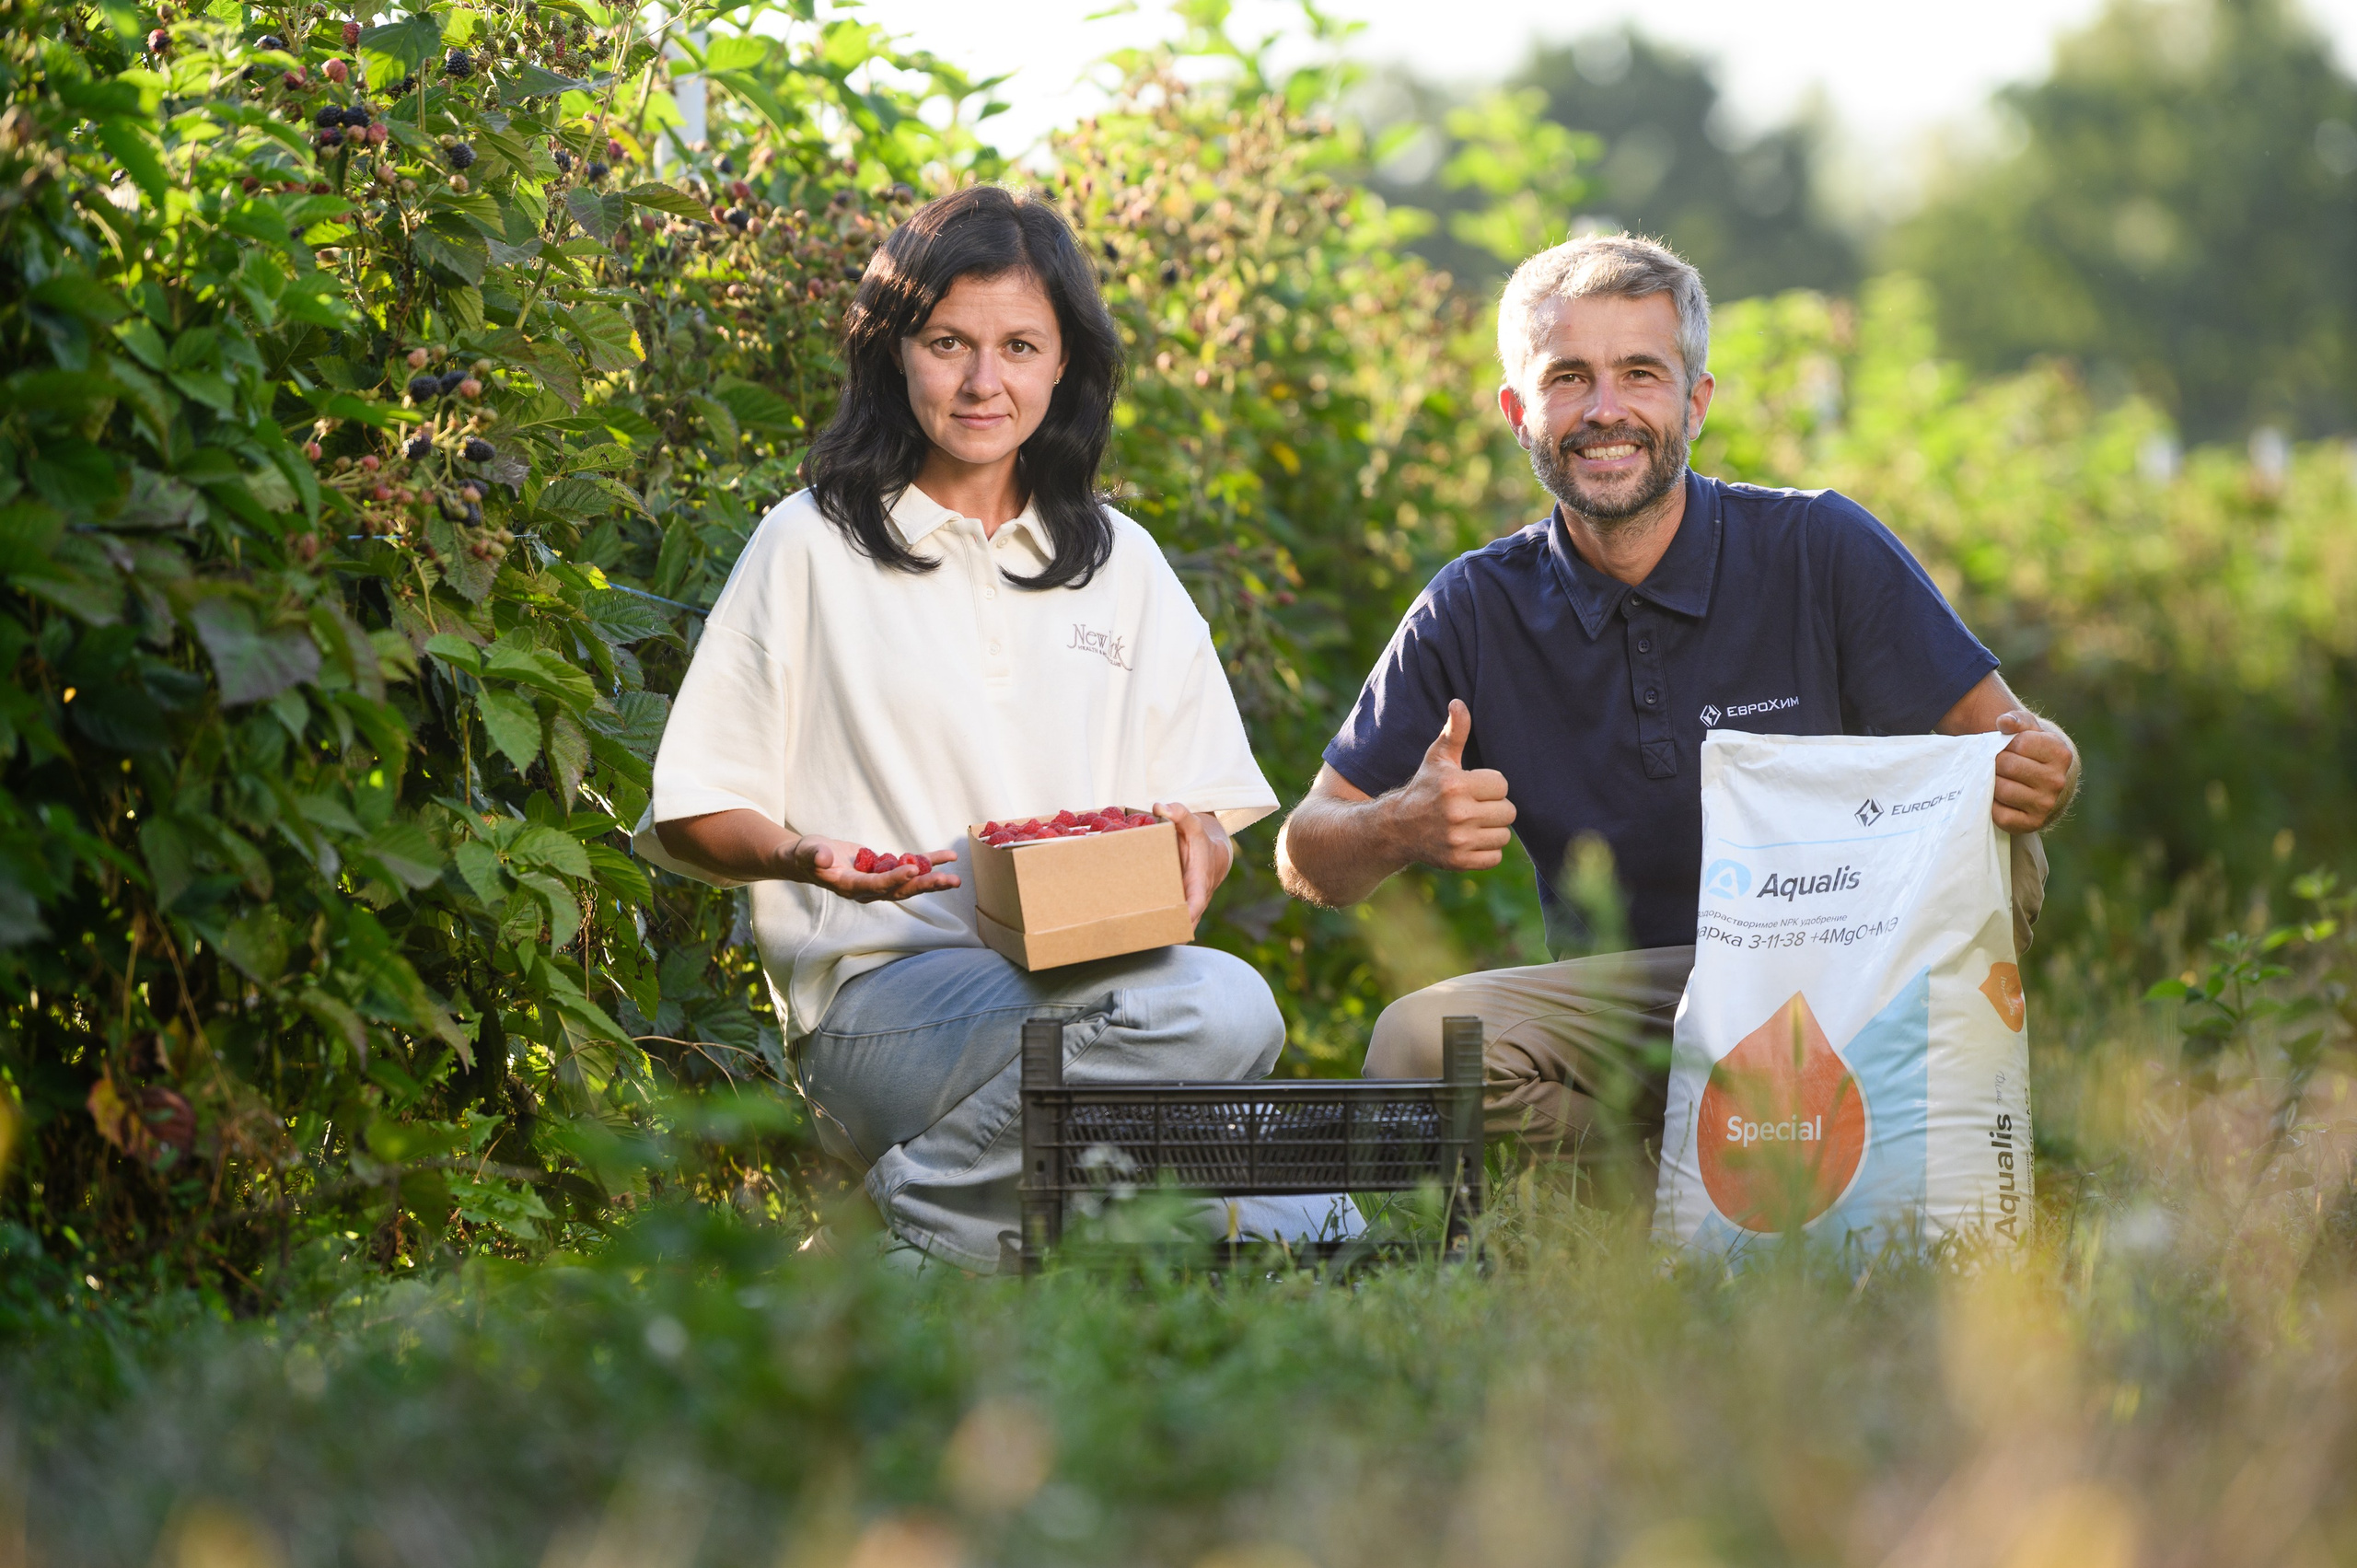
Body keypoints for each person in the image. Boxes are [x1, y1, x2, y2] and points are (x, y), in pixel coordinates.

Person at [634, 186, 1354, 1271]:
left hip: (1105, 984)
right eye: (947, 343)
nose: (984, 382)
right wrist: (802, 855)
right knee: (1221, 1018)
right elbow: (694, 808)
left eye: (1019, 344)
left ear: (1062, 363)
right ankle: (933, 1212)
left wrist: (1193, 849)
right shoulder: (811, 545)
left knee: (1232, 1023)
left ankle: (950, 1238)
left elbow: (1202, 809)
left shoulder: (1122, 563)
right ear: (894, 352)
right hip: (883, 1006)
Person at [1274, 233, 2079, 1171]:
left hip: (1844, 978)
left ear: (1694, 401)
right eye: (1568, 377)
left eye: (1639, 373)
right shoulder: (1473, 606)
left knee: (1998, 829)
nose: (1605, 410)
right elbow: (1307, 850)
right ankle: (1685, 1193)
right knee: (1416, 1046)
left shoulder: (1819, 547)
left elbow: (2016, 745)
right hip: (1636, 1002)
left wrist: (2043, 771)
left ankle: (1859, 1157)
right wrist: (1400, 826)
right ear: (1516, 410)